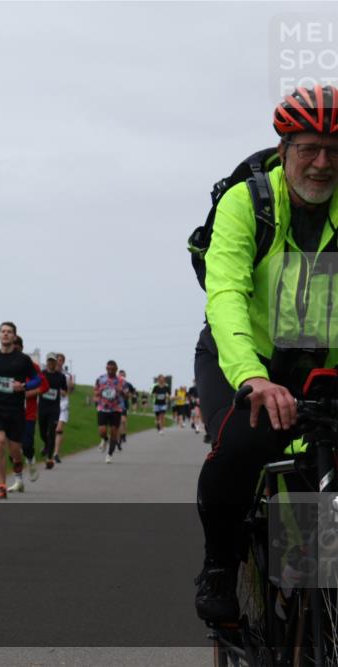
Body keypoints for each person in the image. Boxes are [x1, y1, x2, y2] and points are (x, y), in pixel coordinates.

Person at [194, 84, 338, 623]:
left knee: (316, 486)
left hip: (319, 370)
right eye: (309, 149)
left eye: (334, 151)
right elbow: (226, 294)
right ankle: (219, 568)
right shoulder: (246, 204)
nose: (322, 163)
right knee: (240, 446)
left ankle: (309, 600)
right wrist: (253, 378)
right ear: (284, 152)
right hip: (241, 359)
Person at [0, 322, 39, 498]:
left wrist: (23, 385)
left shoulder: (22, 360)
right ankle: (1, 485)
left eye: (9, 332)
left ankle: (18, 462)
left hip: (15, 409)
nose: (6, 334)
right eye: (3, 331)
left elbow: (37, 379)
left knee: (15, 450)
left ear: (14, 337)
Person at [14, 336, 46, 487]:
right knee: (13, 449)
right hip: (10, 411)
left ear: (21, 347)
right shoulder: (4, 366)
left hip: (29, 412)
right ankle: (18, 480)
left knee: (26, 445)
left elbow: (44, 386)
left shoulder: (32, 366)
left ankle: (31, 461)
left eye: (16, 346)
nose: (13, 348)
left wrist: (27, 393)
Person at [39, 352, 68, 468]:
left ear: (56, 362)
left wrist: (62, 392)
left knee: (51, 432)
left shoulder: (60, 376)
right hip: (42, 407)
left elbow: (65, 391)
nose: (51, 363)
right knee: (42, 432)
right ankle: (46, 445)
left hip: (54, 409)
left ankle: (49, 458)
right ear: (47, 362)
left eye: (53, 361)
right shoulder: (42, 374)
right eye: (49, 361)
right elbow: (36, 385)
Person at [94, 360, 126, 464]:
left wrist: (122, 391)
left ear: (116, 369)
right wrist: (96, 397)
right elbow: (95, 391)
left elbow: (127, 394)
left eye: (113, 369)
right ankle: (105, 439)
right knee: (102, 431)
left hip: (116, 409)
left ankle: (109, 455)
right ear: (106, 368)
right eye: (109, 368)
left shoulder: (121, 381)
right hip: (103, 408)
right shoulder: (100, 379)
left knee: (114, 432)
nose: (111, 370)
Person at [53, 352, 75, 463]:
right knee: (50, 429)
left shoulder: (67, 375)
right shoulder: (48, 373)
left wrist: (71, 386)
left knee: (59, 429)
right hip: (51, 404)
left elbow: (70, 391)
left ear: (63, 362)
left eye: (61, 360)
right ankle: (48, 446)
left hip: (63, 404)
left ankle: (56, 453)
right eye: (57, 359)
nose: (59, 362)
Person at [117, 369, 136, 447]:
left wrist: (128, 395)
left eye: (123, 375)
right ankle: (118, 437)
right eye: (120, 375)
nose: (121, 376)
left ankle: (123, 434)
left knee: (124, 421)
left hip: (124, 404)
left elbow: (133, 393)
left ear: (125, 376)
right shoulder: (115, 383)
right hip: (115, 405)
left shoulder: (128, 384)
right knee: (118, 422)